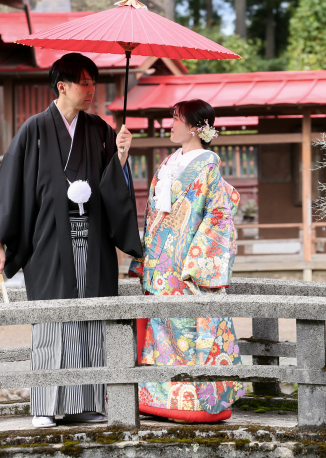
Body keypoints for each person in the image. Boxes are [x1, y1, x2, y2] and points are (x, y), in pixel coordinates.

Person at [0, 53, 143, 428]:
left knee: (89, 318)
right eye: (85, 83)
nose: (91, 90)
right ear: (63, 86)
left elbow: (110, 188)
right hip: (50, 240)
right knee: (53, 319)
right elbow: (12, 186)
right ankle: (43, 404)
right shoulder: (34, 129)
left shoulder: (100, 129)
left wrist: (119, 156)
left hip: (92, 240)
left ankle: (83, 402)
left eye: (93, 83)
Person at [130, 99, 245, 423]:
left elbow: (219, 215)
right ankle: (160, 401)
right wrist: (146, 256)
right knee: (161, 333)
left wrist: (198, 261)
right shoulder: (168, 163)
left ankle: (193, 403)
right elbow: (154, 214)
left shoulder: (208, 164)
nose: (172, 125)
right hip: (161, 263)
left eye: (177, 120)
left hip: (186, 264)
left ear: (195, 127)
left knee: (189, 331)